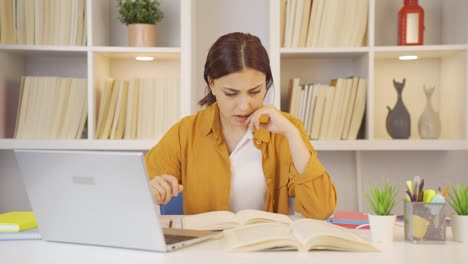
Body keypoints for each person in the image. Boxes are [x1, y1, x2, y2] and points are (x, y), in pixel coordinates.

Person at [145, 32, 336, 219]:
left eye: (255, 91)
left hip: (267, 248)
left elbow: (321, 210)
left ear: (266, 84)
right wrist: (153, 189)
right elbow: (135, 191)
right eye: (231, 93)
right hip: (206, 250)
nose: (244, 106)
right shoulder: (186, 132)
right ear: (211, 84)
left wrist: (292, 134)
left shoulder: (287, 129)